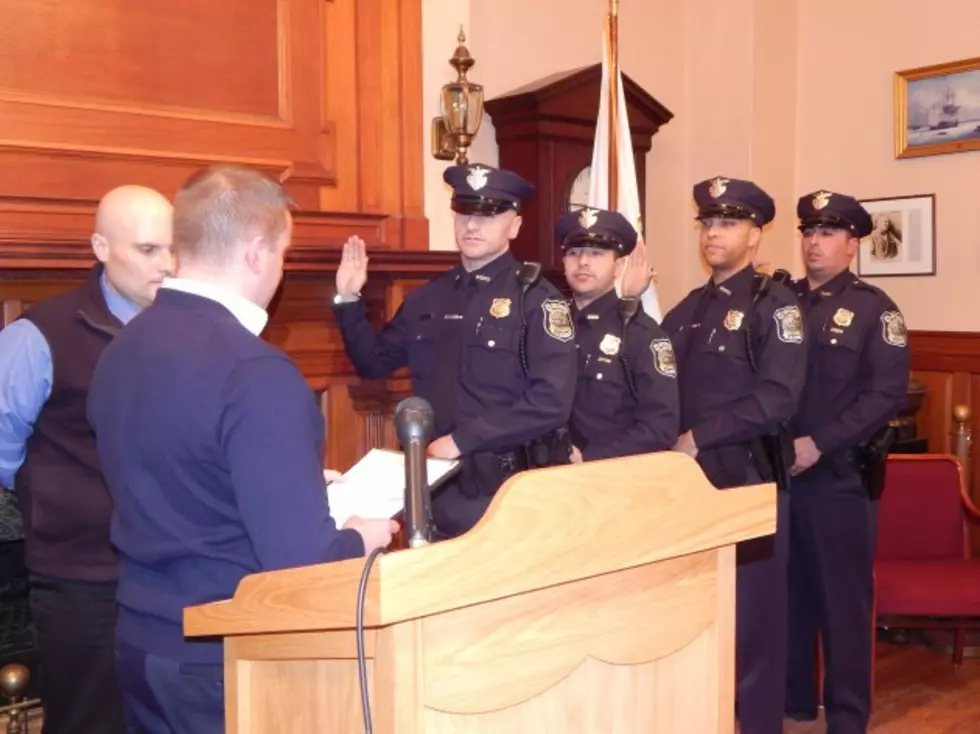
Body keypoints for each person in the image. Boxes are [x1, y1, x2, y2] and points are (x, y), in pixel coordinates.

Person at [86, 165, 397, 734]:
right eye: (282, 255)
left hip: (140, 636)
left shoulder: (122, 346)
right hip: (226, 653)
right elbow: (299, 566)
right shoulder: (256, 372)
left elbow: (172, 475)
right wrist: (360, 537)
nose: (279, 271)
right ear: (256, 252)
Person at [0, 184, 174, 734]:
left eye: (175, 250)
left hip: (172, 573)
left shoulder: (184, 332)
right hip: (82, 581)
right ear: (101, 247)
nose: (167, 266)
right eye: (149, 250)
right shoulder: (37, 337)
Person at [332, 163, 577, 538]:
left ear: (514, 226)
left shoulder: (536, 300)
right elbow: (373, 362)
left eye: (489, 215)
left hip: (506, 493)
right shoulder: (428, 297)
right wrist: (349, 299)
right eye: (464, 212)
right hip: (436, 491)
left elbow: (550, 400)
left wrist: (464, 440)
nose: (472, 226)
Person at [660, 176, 807, 734]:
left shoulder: (776, 305)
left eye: (728, 223)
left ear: (756, 235)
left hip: (747, 481)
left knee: (755, 624)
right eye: (707, 223)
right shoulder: (689, 309)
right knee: (701, 617)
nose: (713, 233)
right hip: (690, 488)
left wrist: (697, 437)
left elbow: (778, 396)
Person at [784, 190, 910, 733]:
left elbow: (884, 395)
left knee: (841, 607)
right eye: (810, 232)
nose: (815, 242)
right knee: (787, 602)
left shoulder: (874, 309)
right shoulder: (780, 302)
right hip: (779, 478)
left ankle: (846, 717)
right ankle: (791, 707)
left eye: (829, 233)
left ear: (852, 245)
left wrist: (819, 443)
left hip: (837, 481)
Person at [557, 207, 680, 460]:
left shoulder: (642, 335)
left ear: (619, 265)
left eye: (596, 253)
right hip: (540, 475)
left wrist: (592, 459)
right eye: (574, 253)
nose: (583, 262)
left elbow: (661, 427)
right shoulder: (545, 326)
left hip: (610, 477)